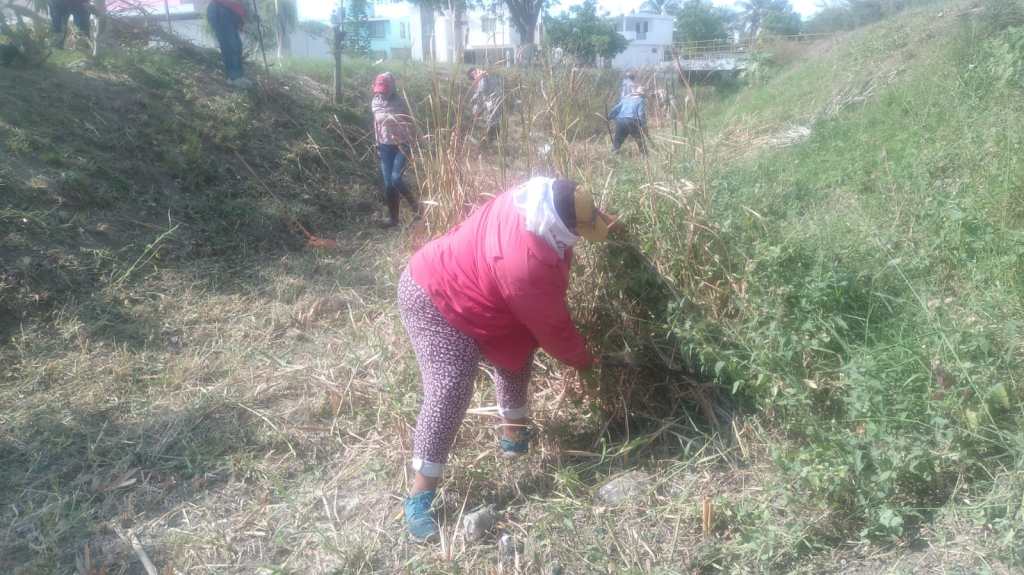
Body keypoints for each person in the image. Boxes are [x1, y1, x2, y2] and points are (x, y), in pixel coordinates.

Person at [399, 176, 615, 541]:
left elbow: (573, 203)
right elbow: (555, 331)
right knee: (450, 386)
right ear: (558, 225)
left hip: (481, 288)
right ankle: (420, 495)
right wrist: (586, 361)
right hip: (434, 295)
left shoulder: (539, 196)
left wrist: (599, 218)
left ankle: (513, 436)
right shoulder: (525, 266)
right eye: (579, 229)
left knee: (518, 344)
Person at [372, 72, 419, 227]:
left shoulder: (402, 101)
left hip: (402, 144)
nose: (382, 92)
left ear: (392, 87)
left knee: (396, 179)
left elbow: (410, 119)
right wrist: (396, 117)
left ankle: (416, 207)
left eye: (385, 89)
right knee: (388, 184)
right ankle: (394, 220)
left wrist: (392, 118)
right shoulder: (376, 101)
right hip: (384, 146)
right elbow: (380, 120)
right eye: (380, 89)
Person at [206, 0, 252, 88]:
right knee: (232, 46)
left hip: (227, 11)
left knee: (234, 45)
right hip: (221, 10)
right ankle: (235, 78)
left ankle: (235, 77)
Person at [467, 67, 504, 144]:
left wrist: (476, 111)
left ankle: (491, 142)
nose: (474, 79)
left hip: (494, 101)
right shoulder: (486, 75)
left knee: (493, 120)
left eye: (473, 77)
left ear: (474, 73)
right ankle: (493, 141)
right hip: (498, 99)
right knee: (494, 120)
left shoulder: (482, 78)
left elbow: (480, 96)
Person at [608, 86, 648, 155]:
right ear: (642, 95)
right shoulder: (641, 100)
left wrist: (609, 117)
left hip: (620, 121)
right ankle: (645, 157)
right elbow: (641, 114)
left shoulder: (625, 99)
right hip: (632, 121)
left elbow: (615, 109)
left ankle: (613, 155)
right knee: (640, 141)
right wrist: (643, 126)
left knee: (617, 141)